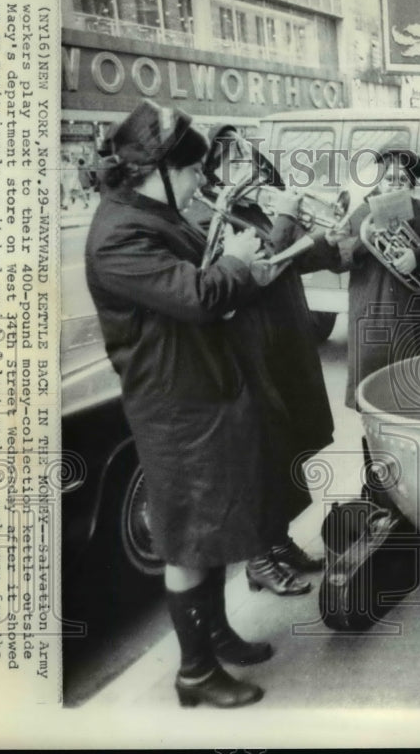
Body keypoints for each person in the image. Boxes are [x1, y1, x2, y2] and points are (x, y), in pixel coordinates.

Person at [85, 99, 278, 708]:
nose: (202, 183)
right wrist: (239, 265)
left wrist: (245, 267)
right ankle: (194, 671)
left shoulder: (148, 212)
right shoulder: (117, 235)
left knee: (211, 525)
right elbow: (196, 294)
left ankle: (215, 633)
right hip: (174, 407)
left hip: (202, 392)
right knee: (187, 536)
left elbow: (207, 279)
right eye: (194, 171)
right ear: (158, 168)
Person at [187, 124, 338, 596]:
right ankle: (258, 558)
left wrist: (328, 235)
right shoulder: (205, 214)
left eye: (245, 156)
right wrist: (289, 221)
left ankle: (280, 541)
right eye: (230, 158)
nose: (243, 165)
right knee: (260, 451)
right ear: (209, 167)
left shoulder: (255, 204)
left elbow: (298, 258)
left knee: (290, 442)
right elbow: (260, 269)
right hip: (249, 347)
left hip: (285, 341)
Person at [331, 147, 420, 409]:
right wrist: (366, 240)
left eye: (402, 180)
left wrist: (417, 255)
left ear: (410, 184)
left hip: (415, 320)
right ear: (378, 182)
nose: (395, 185)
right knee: (372, 401)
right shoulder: (361, 214)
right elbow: (337, 260)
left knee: (416, 400)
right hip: (373, 318)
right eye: (389, 179)